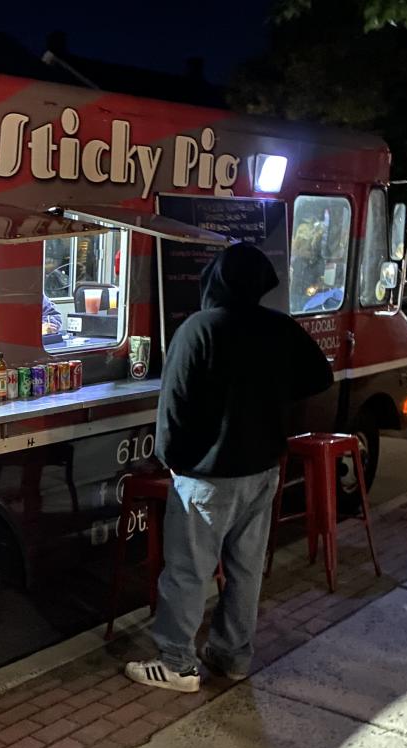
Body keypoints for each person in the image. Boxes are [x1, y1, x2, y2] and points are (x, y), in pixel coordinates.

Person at [125, 242, 333, 693]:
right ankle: (232, 656)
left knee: (188, 571)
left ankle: (178, 663)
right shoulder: (279, 328)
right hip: (262, 471)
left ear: (214, 279)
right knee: (244, 569)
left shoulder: (199, 329)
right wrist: (272, 398)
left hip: (207, 477)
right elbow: (320, 376)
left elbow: (174, 407)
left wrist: (174, 462)